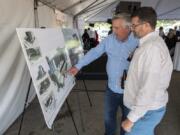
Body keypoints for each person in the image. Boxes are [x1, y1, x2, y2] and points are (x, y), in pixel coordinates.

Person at [68, 12, 138, 135]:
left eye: (117, 28)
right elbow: (94, 52)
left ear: (128, 28)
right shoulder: (109, 40)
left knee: (127, 119)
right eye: (113, 27)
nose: (113, 31)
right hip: (111, 89)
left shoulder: (138, 41)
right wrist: (78, 66)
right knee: (108, 118)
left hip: (130, 91)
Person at [122, 7, 173, 135]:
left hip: (145, 111)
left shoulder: (151, 48)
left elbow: (148, 88)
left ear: (146, 25)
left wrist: (131, 118)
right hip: (146, 109)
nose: (132, 28)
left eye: (134, 25)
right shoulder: (150, 44)